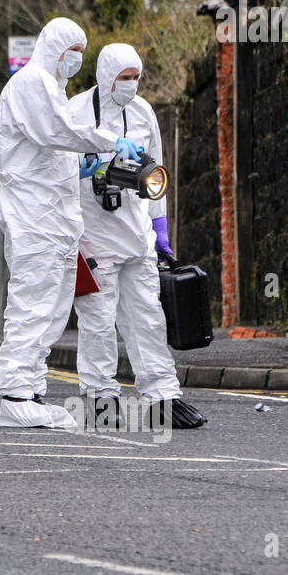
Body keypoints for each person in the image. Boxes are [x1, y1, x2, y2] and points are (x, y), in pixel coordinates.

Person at [0, 18, 143, 428]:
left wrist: (81, 166)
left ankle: (32, 388)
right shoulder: (30, 83)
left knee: (54, 308)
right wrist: (109, 142)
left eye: (81, 50)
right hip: (34, 218)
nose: (77, 58)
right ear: (54, 48)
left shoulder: (52, 89)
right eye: (72, 49)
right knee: (32, 303)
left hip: (55, 220)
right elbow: (58, 132)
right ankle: (15, 394)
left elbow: (50, 150)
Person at [69, 43, 206, 429]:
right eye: (122, 78)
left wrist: (159, 228)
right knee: (97, 320)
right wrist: (91, 166)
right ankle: (99, 396)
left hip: (136, 232)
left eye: (135, 78)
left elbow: (157, 174)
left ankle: (163, 396)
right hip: (92, 233)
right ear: (105, 76)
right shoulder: (77, 112)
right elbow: (58, 165)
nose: (130, 85)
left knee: (148, 317)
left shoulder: (143, 112)